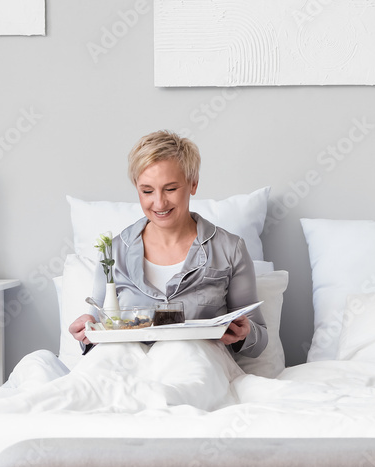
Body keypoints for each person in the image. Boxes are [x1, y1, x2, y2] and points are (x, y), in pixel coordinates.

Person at [69, 131, 268, 358]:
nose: (159, 202)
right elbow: (101, 329)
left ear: (193, 184)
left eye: (171, 189)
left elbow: (259, 341)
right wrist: (88, 331)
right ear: (137, 188)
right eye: (147, 191)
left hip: (197, 367)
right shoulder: (114, 252)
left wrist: (245, 333)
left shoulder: (229, 249)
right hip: (128, 371)